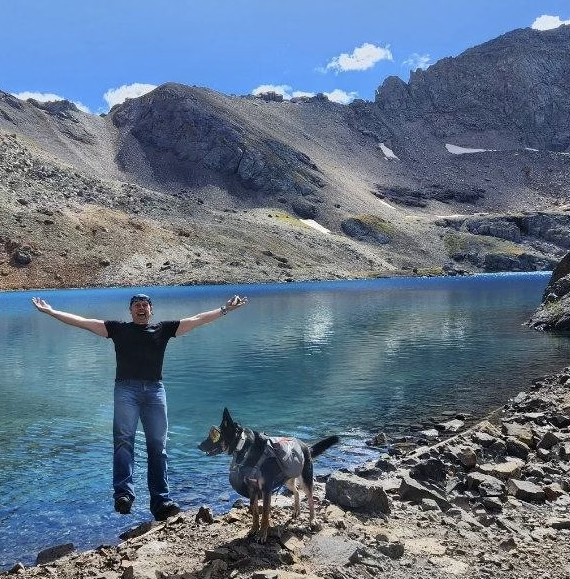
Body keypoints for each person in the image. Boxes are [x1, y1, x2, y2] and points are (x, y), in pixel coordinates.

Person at [31, 292, 248, 521]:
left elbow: (197, 319)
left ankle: (161, 502)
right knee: (124, 441)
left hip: (155, 391)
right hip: (126, 390)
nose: (141, 308)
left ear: (151, 310)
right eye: (136, 305)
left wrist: (225, 309)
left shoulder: (163, 329)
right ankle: (124, 495)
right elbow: (82, 322)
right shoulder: (117, 329)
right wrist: (51, 311)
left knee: (158, 446)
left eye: (145, 305)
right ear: (131, 311)